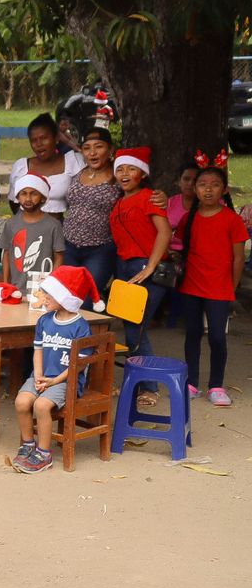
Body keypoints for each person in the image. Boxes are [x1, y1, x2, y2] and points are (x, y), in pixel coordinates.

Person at [10, 266, 100, 473]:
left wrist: (53, 381)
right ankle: (28, 445)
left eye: (49, 294)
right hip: (42, 376)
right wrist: (39, 375)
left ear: (65, 297)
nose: (44, 297)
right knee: (21, 402)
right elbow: (38, 351)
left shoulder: (81, 327)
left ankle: (44, 453)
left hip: (66, 381)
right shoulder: (44, 321)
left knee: (41, 406)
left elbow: (79, 365)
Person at [176, 161, 246, 405]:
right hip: (191, 286)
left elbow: (239, 257)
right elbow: (178, 246)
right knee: (192, 334)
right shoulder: (189, 218)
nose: (208, 190)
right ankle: (191, 383)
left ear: (224, 190)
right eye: (202, 185)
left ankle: (216, 385)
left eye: (215, 185)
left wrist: (232, 286)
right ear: (194, 189)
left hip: (219, 288)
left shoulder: (231, 220)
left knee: (217, 337)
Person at [109, 148, 171, 405]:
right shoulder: (119, 201)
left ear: (142, 174)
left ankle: (150, 388)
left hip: (145, 268)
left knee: (136, 327)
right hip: (125, 268)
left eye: (131, 169)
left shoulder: (150, 198)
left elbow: (164, 232)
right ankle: (133, 385)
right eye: (120, 169)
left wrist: (149, 267)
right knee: (131, 327)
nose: (124, 174)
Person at [62, 128, 123, 294]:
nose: (92, 153)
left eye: (99, 146)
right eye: (87, 148)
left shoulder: (119, 177)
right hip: (69, 246)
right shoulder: (78, 173)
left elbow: (139, 193)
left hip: (100, 249)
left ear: (110, 150)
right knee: (67, 296)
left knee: (88, 297)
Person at [0, 175, 64, 295]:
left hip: (42, 291)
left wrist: (50, 286)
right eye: (23, 193)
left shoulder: (54, 225)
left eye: (34, 194)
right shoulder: (11, 224)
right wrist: (6, 283)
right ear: (17, 197)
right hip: (15, 290)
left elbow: (59, 257)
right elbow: (6, 254)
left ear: (43, 198)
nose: (28, 198)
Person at [10, 113, 83, 215]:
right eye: (34, 140)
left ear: (57, 138)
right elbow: (14, 202)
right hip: (28, 228)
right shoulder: (21, 167)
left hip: (59, 228)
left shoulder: (73, 162)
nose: (39, 144)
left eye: (44, 138)